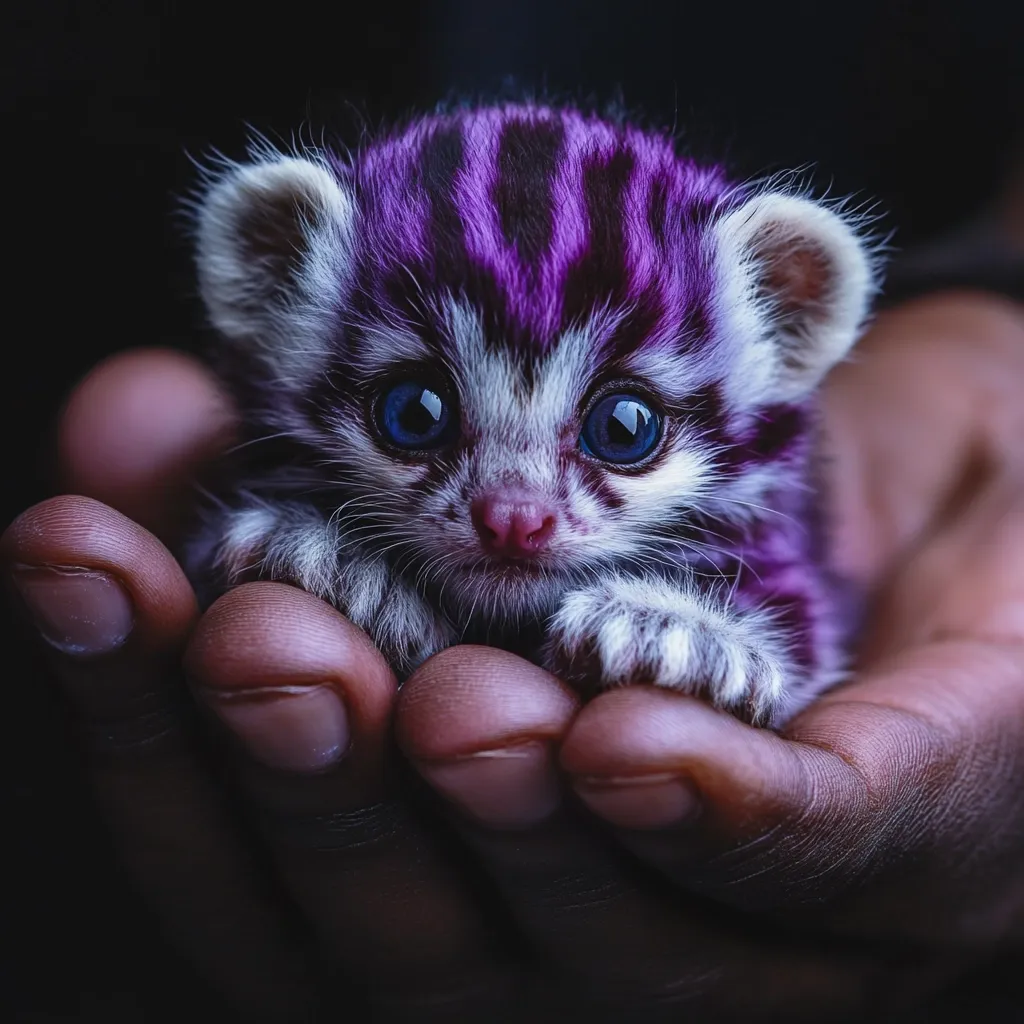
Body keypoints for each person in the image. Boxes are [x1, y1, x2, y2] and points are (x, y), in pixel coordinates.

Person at [4, 262, 1024, 1021]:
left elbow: (788, 630)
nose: (514, 513)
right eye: (415, 414)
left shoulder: (757, 508)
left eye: (624, 426)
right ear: (270, 293)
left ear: (792, 327)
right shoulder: (282, 455)